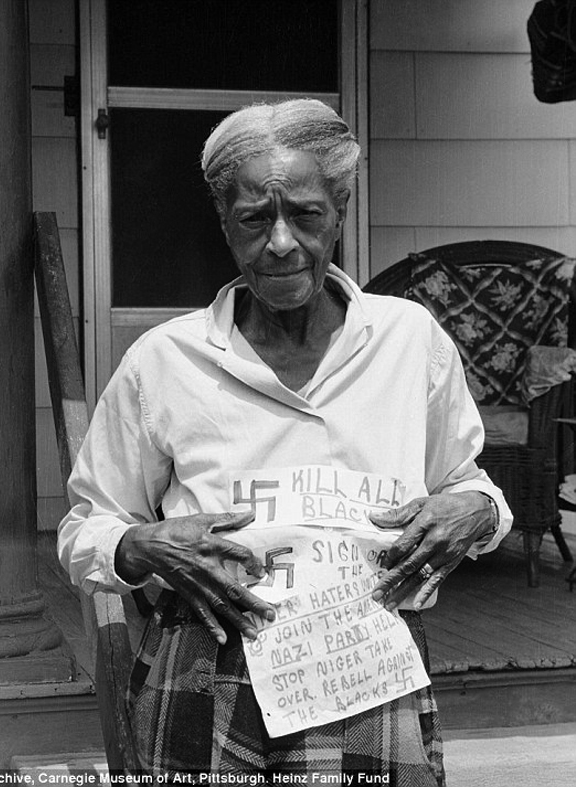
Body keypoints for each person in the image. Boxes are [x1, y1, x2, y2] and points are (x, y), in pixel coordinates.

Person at [58, 99, 512, 785]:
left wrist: (475, 512)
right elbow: (83, 527)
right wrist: (139, 543)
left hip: (366, 670)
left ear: (340, 209)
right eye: (253, 218)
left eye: (304, 213)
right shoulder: (164, 361)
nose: (279, 242)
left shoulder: (408, 340)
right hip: (203, 668)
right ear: (223, 222)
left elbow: (468, 485)